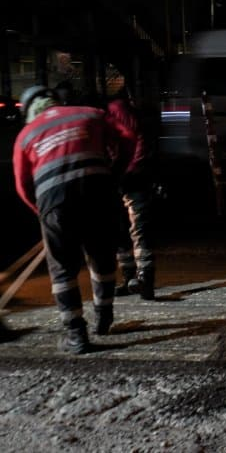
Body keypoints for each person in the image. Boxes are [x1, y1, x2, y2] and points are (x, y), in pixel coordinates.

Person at [11, 85, 137, 354]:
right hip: (97, 191)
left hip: (54, 200)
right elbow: (128, 136)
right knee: (101, 256)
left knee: (62, 269)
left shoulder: (25, 135)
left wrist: (44, 213)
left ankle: (76, 336)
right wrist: (116, 171)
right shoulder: (89, 113)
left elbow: (22, 185)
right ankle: (104, 318)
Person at [106, 89, 157, 300]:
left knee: (134, 227)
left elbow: (134, 140)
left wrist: (124, 171)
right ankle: (134, 279)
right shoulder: (121, 109)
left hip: (130, 176)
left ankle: (142, 280)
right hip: (128, 174)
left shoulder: (116, 109)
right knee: (129, 228)